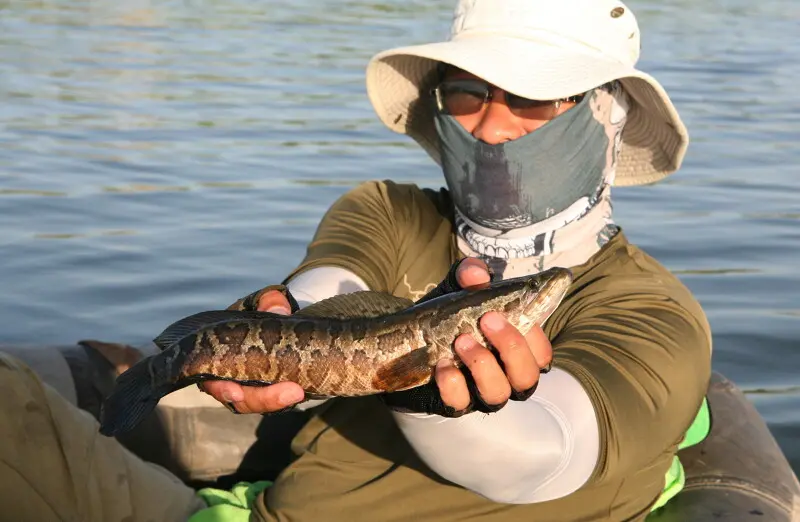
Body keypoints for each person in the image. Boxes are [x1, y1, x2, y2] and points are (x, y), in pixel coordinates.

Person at [0, 0, 713, 520]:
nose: (492, 125)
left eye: (532, 96)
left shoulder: (654, 313)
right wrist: (285, 325)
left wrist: (436, 397)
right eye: (466, 90)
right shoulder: (388, 209)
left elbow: (546, 456)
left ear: (606, 114)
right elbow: (329, 290)